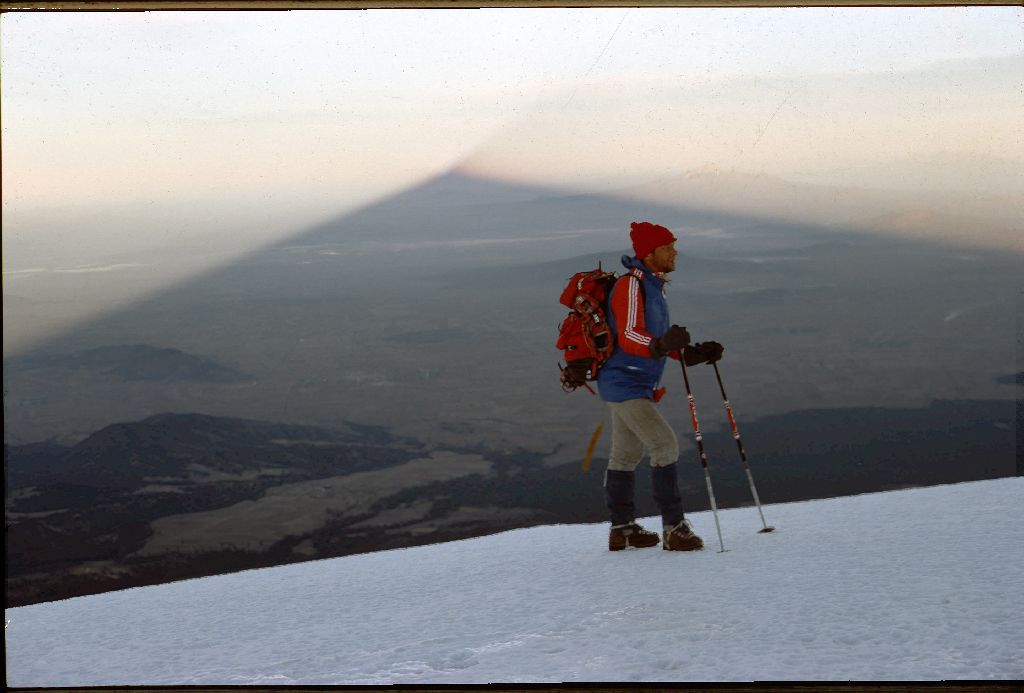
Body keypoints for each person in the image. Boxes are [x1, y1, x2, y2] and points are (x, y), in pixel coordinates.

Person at [598, 221, 724, 552]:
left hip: (632, 382)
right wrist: (661, 344)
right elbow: (629, 335)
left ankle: (622, 530)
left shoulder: (653, 287)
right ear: (649, 253)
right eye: (667, 247)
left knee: (626, 454)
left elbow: (654, 340)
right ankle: (674, 529)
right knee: (664, 445)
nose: (674, 252)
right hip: (623, 381)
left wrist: (691, 353)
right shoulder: (631, 285)